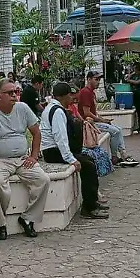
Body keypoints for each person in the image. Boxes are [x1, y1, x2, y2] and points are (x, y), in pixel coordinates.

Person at [0, 78, 51, 240]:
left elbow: (36, 133)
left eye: (16, 92)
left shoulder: (23, 108)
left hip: (22, 158)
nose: (14, 95)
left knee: (43, 180)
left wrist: (34, 155)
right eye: (9, 93)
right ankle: (0, 223)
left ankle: (27, 219)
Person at [41, 83, 109, 219]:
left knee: (89, 159)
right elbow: (60, 138)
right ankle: (88, 208)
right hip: (53, 152)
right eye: (70, 95)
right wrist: (71, 159)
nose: (72, 98)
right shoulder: (57, 112)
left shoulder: (55, 109)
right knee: (87, 165)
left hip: (56, 150)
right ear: (64, 96)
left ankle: (93, 201)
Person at [78, 72, 140, 167]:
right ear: (89, 79)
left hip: (94, 122)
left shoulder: (91, 92)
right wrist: (101, 120)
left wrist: (103, 119)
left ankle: (123, 155)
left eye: (99, 80)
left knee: (118, 129)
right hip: (89, 124)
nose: (98, 82)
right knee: (115, 131)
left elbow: (94, 112)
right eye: (96, 79)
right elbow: (86, 113)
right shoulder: (85, 92)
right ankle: (115, 157)